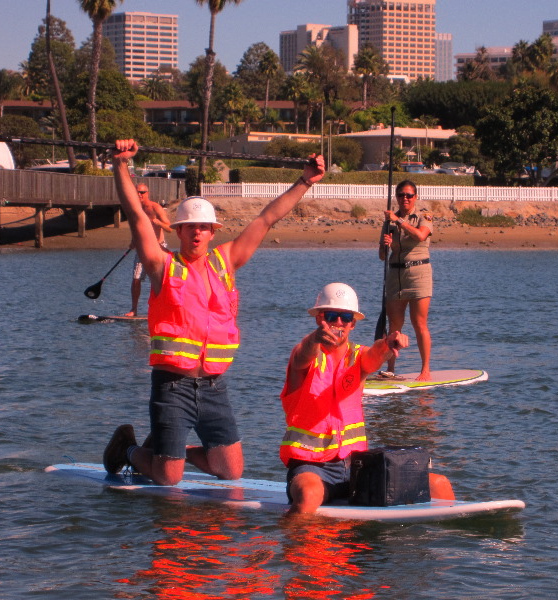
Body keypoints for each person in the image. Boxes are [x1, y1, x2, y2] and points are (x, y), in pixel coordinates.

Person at [103, 138, 325, 485]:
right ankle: (127, 450)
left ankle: (166, 448)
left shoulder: (226, 262)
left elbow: (266, 218)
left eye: (203, 227)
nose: (197, 232)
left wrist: (305, 181)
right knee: (169, 478)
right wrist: (120, 165)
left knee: (231, 470)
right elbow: (135, 214)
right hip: (172, 386)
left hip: (213, 388)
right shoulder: (162, 266)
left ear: (212, 232)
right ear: (178, 231)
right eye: (190, 227)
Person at [280, 282, 454, 515]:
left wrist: (388, 343)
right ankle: (290, 546)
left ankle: (450, 540)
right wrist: (314, 340)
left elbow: (373, 357)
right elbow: (303, 354)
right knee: (309, 495)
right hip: (312, 468)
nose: (338, 323)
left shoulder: (357, 356)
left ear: (353, 323)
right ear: (319, 319)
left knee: (438, 484)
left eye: (345, 317)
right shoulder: (306, 353)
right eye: (331, 316)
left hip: (356, 467)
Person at [378, 180, 433, 381]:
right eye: (401, 195)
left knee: (419, 323)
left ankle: (425, 370)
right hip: (396, 275)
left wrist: (399, 221)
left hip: (419, 274)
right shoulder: (389, 222)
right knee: (394, 325)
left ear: (415, 197)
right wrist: (387, 245)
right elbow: (382, 256)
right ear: (397, 197)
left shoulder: (424, 217)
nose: (405, 199)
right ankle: (390, 368)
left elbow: (420, 236)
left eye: (409, 195)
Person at [124, 184, 172, 317]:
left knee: (159, 280)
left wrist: (158, 223)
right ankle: (134, 309)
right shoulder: (136, 209)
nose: (139, 194)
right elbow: (136, 227)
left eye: (142, 192)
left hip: (159, 247)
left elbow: (170, 228)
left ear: (147, 193)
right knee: (136, 279)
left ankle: (161, 308)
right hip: (142, 247)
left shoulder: (155, 207)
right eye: (137, 192)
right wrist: (134, 240)